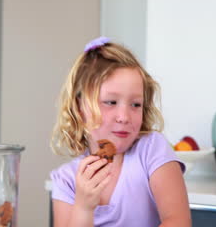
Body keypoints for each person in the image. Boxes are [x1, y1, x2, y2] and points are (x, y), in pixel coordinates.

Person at [50, 37, 191, 227]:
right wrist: (83, 208)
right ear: (80, 107)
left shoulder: (151, 150)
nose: (124, 116)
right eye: (111, 102)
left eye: (135, 104)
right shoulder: (66, 180)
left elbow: (178, 221)